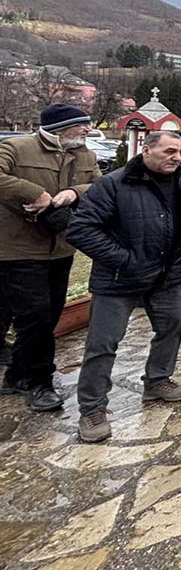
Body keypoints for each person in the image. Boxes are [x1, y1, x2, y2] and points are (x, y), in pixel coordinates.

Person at [67, 131, 181, 442]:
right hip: (120, 278)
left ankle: (157, 379)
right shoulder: (114, 184)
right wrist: (125, 259)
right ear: (146, 149)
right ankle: (92, 408)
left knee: (172, 327)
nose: (177, 157)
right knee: (103, 344)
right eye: (169, 151)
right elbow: (81, 229)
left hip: (169, 275)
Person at [0, 104, 101, 412]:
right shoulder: (16, 147)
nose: (87, 130)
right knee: (36, 315)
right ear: (61, 127)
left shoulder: (85, 155)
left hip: (60, 247)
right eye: (81, 125)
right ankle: (39, 381)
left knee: (50, 313)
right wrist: (34, 193)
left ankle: (16, 375)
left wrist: (74, 192)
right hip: (17, 248)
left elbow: (100, 183)